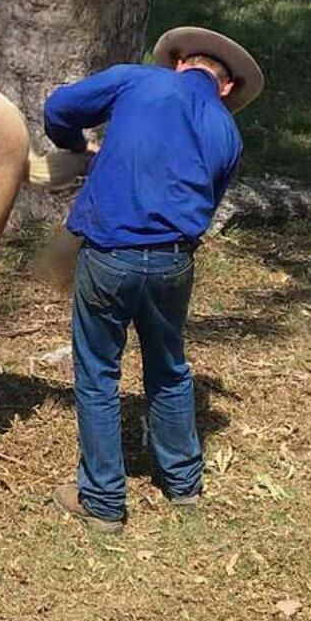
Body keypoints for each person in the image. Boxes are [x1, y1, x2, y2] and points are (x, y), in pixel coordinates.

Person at [42, 27, 265, 533]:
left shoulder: (135, 82)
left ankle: (102, 498)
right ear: (226, 87)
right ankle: (183, 482)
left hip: (110, 255)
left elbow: (60, 108)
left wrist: (75, 147)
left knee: (98, 371)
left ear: (180, 61)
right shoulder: (228, 133)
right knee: (169, 367)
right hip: (173, 262)